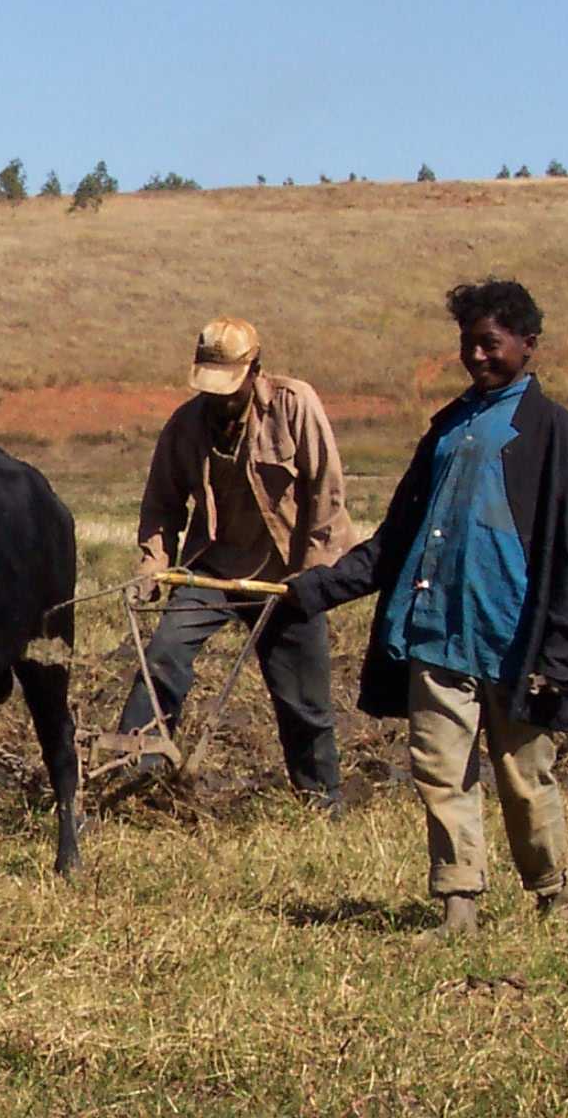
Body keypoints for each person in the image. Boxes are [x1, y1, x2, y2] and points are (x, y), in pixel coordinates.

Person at [288, 280, 568, 936]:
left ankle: (553, 896)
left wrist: (564, 655)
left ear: (528, 345)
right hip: (436, 632)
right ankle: (459, 903)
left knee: (524, 779)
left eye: (490, 343)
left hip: (515, 644)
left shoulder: (562, 439)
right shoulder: (448, 428)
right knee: (439, 770)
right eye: (468, 344)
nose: (477, 356)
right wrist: (316, 590)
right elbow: (395, 542)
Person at [117, 317, 356, 805]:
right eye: (211, 388)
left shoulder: (294, 406)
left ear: (255, 371)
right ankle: (133, 780)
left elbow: (326, 493)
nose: (219, 399)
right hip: (212, 569)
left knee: (303, 700)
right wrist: (152, 566)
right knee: (161, 658)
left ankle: (320, 800)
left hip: (286, 573)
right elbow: (162, 505)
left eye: (229, 388)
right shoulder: (185, 426)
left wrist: (313, 574)